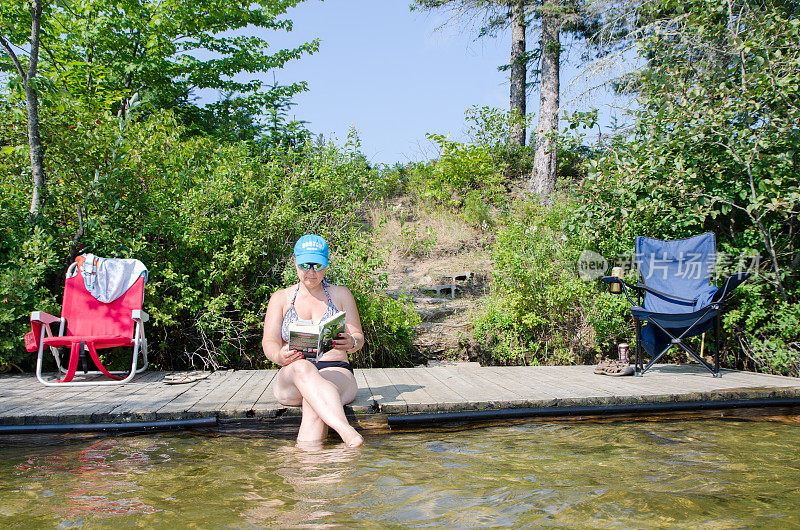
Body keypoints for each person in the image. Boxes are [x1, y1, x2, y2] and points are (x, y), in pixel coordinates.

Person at [262, 234, 365, 448]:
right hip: (293, 374)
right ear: (295, 262)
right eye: (305, 265)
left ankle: (310, 474)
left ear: (327, 265)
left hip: (336, 371)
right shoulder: (280, 298)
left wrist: (352, 343)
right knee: (303, 369)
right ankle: (346, 431)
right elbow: (269, 342)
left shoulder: (341, 294)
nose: (311, 272)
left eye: (318, 265)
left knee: (314, 404)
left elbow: (358, 337)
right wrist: (279, 355)